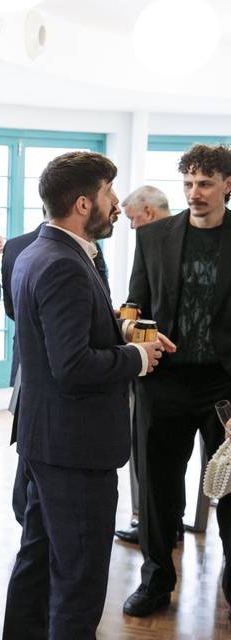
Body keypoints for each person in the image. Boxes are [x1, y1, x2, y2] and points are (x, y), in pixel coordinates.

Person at [3, 151, 169, 639]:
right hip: (74, 449)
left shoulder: (36, 251)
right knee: (78, 580)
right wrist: (138, 359)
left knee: (36, 565)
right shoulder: (65, 265)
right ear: (82, 203)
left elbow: (60, 336)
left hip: (46, 440)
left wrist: (123, 331)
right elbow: (72, 366)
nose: (116, 204)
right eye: (108, 194)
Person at [123, 143, 231, 618]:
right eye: (188, 183)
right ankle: (155, 582)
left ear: (228, 185)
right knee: (157, 490)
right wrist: (132, 333)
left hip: (225, 387)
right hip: (163, 382)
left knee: (230, 490)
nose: (195, 192)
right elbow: (135, 307)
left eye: (206, 183)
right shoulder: (154, 238)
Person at [2, 209, 109, 525]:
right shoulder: (69, 258)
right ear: (79, 204)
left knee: (31, 454)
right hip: (65, 385)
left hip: (30, 360)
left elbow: (13, 310)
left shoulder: (18, 247)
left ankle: (26, 512)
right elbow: (96, 308)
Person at [115, 186, 171, 544]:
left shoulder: (149, 242)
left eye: (133, 219)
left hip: (153, 365)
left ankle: (147, 522)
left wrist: (123, 327)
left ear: (147, 213)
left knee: (149, 457)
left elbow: (136, 303)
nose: (132, 227)